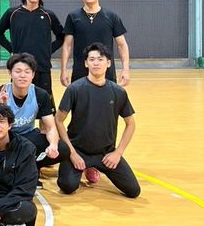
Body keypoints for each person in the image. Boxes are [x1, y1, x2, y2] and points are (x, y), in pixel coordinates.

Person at [55, 43, 140, 198]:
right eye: (92, 59)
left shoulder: (118, 92)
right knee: (67, 186)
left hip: (106, 153)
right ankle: (84, 168)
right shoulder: (75, 89)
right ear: (86, 63)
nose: (96, 63)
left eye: (100, 59)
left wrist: (118, 153)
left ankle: (93, 167)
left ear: (108, 63)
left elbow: (131, 124)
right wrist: (72, 153)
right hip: (79, 151)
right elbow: (59, 120)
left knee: (133, 190)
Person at [0, 53, 70, 187]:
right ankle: (19, 170)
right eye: (18, 71)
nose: (22, 75)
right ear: (10, 73)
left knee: (62, 149)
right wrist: (1, 107)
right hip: (7, 139)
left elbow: (51, 127)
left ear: (33, 75)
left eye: (27, 72)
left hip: (28, 138)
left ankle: (32, 167)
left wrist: (53, 145)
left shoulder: (41, 95)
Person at [0, 0, 65, 98]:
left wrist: (48, 50)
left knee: (44, 104)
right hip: (20, 69)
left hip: (42, 67)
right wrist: (11, 49)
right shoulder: (12, 13)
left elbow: (61, 36)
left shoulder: (48, 15)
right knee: (18, 102)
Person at [60, 0, 130, 87]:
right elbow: (67, 45)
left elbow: (122, 45)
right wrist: (63, 70)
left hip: (106, 73)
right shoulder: (73, 17)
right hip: (80, 72)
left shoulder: (111, 16)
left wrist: (125, 69)